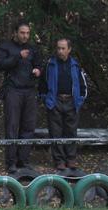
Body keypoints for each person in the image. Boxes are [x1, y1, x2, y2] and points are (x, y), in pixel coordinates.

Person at [0, 19, 42, 174]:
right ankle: (11, 162)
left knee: (28, 126)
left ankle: (24, 160)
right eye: (22, 33)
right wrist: (17, 57)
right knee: (12, 126)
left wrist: (37, 70)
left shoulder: (32, 48)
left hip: (29, 91)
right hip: (13, 90)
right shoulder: (6, 47)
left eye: (28, 33)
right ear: (15, 33)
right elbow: (0, 65)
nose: (25, 36)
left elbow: (38, 64)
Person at [39, 38, 87, 171]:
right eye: (58, 48)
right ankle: (59, 160)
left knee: (71, 131)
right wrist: (46, 100)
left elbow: (83, 85)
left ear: (69, 49)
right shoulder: (50, 64)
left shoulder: (75, 65)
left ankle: (71, 159)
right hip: (55, 101)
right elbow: (42, 84)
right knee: (56, 132)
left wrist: (80, 100)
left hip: (72, 101)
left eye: (63, 48)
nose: (60, 51)